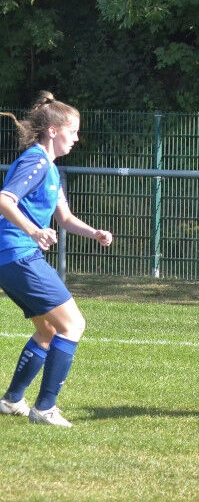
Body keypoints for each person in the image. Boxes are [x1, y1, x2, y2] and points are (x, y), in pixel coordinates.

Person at [0, 92, 113, 427]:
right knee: (73, 324)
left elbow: (63, 218)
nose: (77, 138)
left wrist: (94, 233)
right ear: (53, 130)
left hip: (12, 259)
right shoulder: (35, 162)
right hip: (18, 254)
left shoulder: (50, 170)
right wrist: (35, 231)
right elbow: (5, 200)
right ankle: (45, 408)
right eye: (73, 131)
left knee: (47, 331)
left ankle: (11, 401)